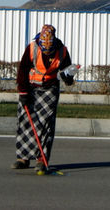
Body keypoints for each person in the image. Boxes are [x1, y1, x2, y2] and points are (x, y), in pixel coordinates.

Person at [12, 24, 75, 172]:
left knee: (46, 124)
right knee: (26, 122)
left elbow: (66, 70)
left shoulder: (62, 51)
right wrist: (23, 93)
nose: (47, 54)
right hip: (31, 87)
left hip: (50, 89)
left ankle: (42, 159)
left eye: (50, 51)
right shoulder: (32, 47)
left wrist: (68, 78)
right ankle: (23, 157)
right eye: (44, 50)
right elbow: (23, 70)